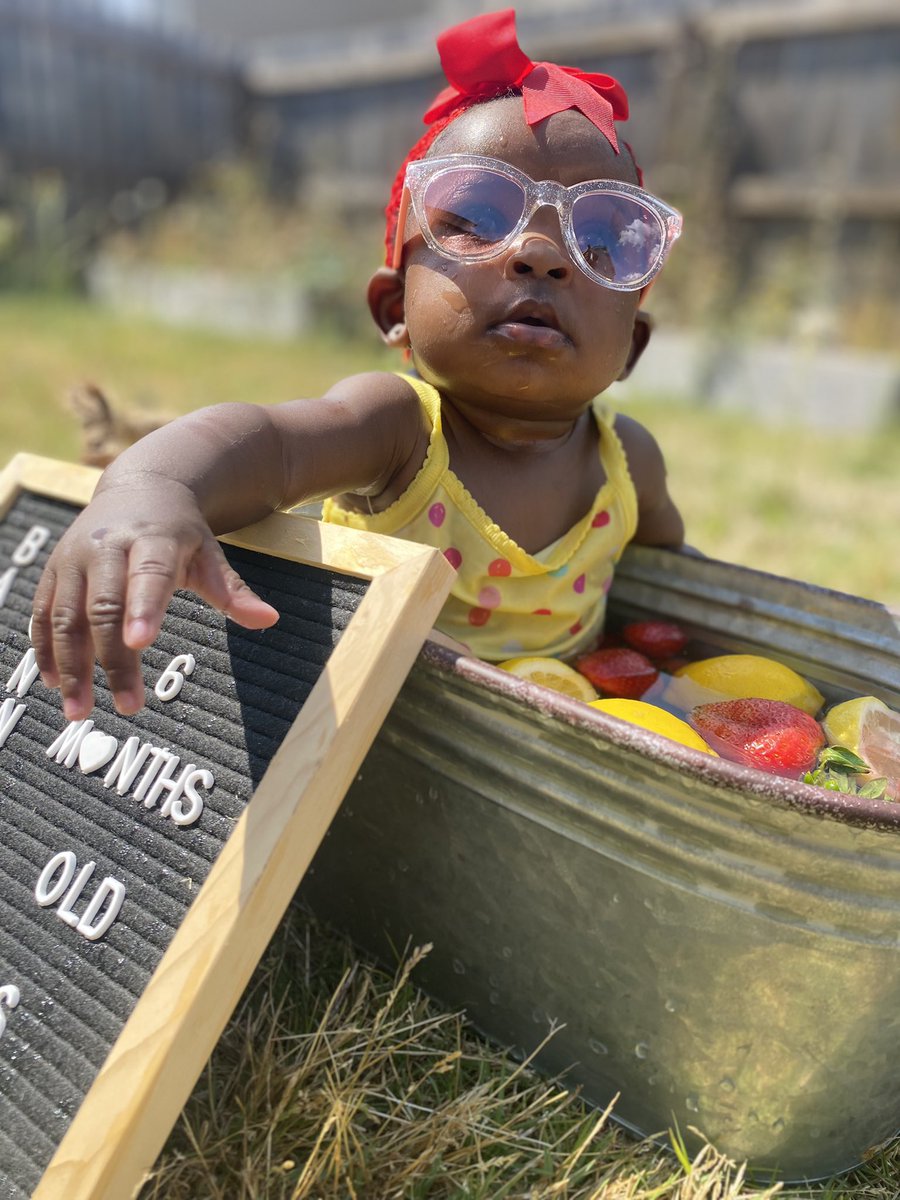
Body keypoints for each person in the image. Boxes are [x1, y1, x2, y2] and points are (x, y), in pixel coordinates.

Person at [32, 8, 686, 722]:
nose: (542, 253)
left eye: (600, 240)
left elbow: (675, 589)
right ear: (391, 309)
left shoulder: (629, 465)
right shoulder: (398, 430)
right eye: (478, 219)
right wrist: (150, 490)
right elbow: (267, 443)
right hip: (375, 741)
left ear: (634, 347)